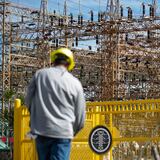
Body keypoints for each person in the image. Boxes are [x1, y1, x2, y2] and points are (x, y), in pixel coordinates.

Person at [25, 48, 86, 160]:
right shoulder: (75, 83)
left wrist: (36, 119)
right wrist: (71, 131)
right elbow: (80, 117)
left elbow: (28, 100)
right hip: (63, 133)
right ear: (70, 63)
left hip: (42, 130)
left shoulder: (40, 75)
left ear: (53, 60)